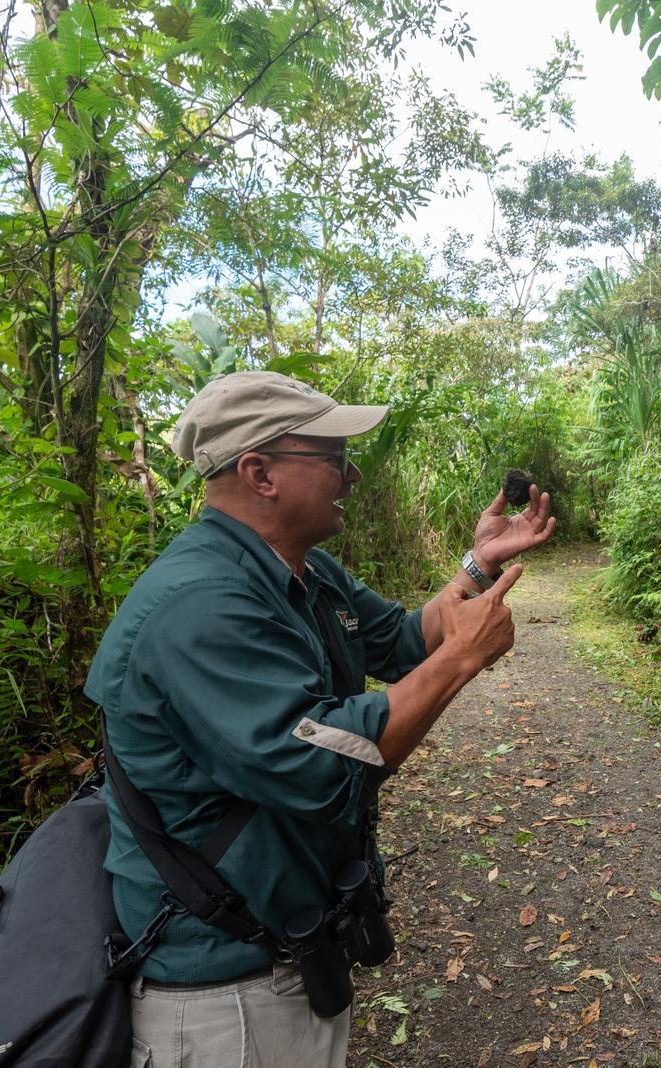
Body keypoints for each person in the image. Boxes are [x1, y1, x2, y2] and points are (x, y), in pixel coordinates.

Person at [86, 371, 555, 1067]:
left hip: (286, 948)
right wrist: (461, 661)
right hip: (223, 987)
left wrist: (475, 566)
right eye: (333, 456)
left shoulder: (302, 569)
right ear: (260, 473)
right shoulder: (202, 605)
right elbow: (327, 769)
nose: (353, 473)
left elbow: (401, 640)